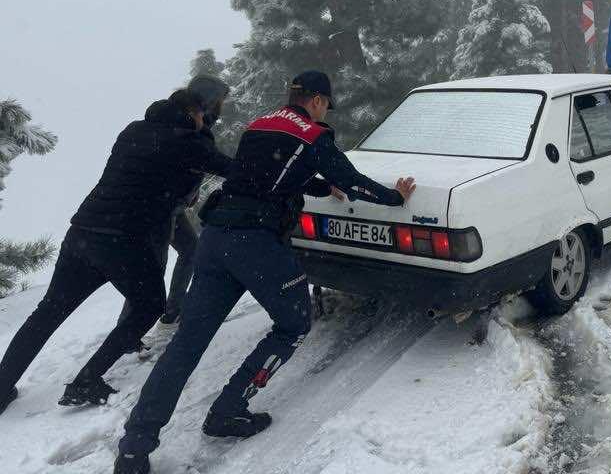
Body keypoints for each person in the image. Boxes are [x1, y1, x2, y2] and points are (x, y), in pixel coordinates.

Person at [114, 71, 415, 474]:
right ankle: (228, 409)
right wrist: (396, 197)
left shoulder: (259, 125)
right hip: (254, 243)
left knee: (187, 343)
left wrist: (323, 189)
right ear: (319, 101)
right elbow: (356, 184)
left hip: (215, 238)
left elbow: (268, 175)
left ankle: (135, 445)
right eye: (326, 104)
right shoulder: (312, 134)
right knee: (293, 323)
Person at [0, 89, 232, 416]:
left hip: (82, 233)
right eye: (201, 116)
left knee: (47, 312)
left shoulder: (134, 129)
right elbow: (230, 168)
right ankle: (86, 380)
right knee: (149, 306)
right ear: (194, 113)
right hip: (123, 242)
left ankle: (0, 387)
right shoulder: (187, 142)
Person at [118, 76, 231, 354]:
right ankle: (128, 333)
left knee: (190, 250)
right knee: (150, 271)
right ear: (208, 101)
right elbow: (193, 160)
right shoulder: (185, 127)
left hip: (173, 207)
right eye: (219, 101)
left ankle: (171, 313)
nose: (222, 107)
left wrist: (189, 193)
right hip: (158, 210)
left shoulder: (195, 124)